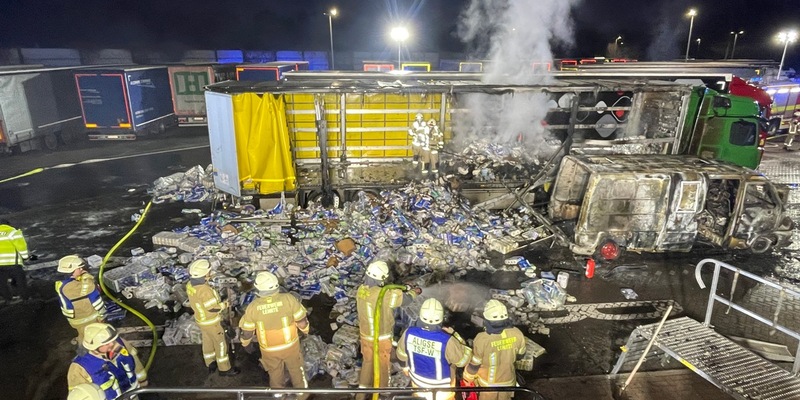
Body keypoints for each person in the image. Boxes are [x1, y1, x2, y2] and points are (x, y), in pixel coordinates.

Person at [239, 271, 310, 400]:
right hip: (290, 346)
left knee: (275, 374)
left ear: (258, 289)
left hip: (269, 350)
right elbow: (302, 321)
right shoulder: (289, 299)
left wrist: (245, 343)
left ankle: (278, 396)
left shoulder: (253, 307)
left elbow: (247, 331)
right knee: (297, 371)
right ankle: (302, 396)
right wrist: (305, 331)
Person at [356, 260, 419, 400]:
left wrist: (404, 288)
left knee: (367, 362)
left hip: (365, 336)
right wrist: (415, 292)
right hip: (381, 337)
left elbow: (389, 290)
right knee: (383, 364)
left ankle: (360, 394)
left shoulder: (362, 290)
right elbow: (405, 301)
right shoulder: (383, 294)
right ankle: (383, 391)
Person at [397, 298, 472, 400]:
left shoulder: (408, 333)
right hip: (442, 389)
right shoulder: (447, 340)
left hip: (418, 384)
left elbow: (401, 355)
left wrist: (405, 368)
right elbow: (462, 361)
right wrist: (457, 337)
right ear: (441, 319)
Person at [463, 300, 527, 400]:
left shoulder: (482, 339)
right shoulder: (517, 333)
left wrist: (467, 377)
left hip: (488, 386)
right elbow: (520, 355)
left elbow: (475, 365)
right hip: (508, 382)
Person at [186, 259, 240, 376]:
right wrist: (225, 304)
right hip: (212, 322)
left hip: (201, 320)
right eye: (208, 272)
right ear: (204, 274)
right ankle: (224, 369)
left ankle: (210, 362)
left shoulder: (190, 285)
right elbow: (212, 308)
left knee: (207, 341)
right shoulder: (204, 290)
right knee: (220, 344)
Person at [67, 322, 148, 400]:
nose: (112, 344)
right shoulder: (79, 368)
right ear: (94, 347)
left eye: (112, 340)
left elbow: (135, 361)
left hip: (133, 393)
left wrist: (142, 380)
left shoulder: (121, 343)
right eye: (106, 344)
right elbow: (79, 396)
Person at [56, 255, 106, 344]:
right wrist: (87, 276)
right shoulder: (74, 286)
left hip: (78, 318)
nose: (82, 269)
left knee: (84, 333)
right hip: (87, 318)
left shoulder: (63, 284)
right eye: (79, 268)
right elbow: (91, 292)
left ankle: (81, 339)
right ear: (73, 271)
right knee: (92, 337)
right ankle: (84, 351)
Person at [0, 219, 30, 303]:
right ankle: (25, 299)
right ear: (8, 224)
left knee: (2, 283)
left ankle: (8, 299)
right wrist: (25, 257)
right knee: (21, 281)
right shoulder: (13, 232)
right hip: (13, 263)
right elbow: (21, 246)